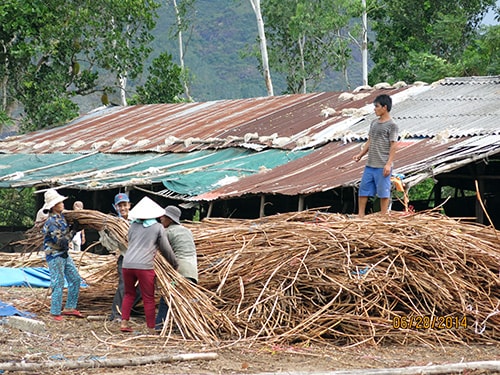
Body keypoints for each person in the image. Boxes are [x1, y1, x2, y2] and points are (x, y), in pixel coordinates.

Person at [120, 196, 178, 334]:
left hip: (127, 264)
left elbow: (131, 242)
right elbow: (165, 248)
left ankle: (124, 322)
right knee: (148, 298)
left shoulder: (133, 225)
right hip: (144, 266)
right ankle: (151, 328)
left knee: (129, 294)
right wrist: (174, 263)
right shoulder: (157, 227)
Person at [353, 94, 399, 217]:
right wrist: (360, 155)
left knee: (383, 192)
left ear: (384, 107)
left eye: (377, 106)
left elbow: (394, 145)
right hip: (370, 164)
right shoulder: (374, 123)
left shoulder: (392, 125)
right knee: (363, 190)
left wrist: (388, 164)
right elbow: (370, 140)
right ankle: (360, 215)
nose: (375, 109)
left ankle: (384, 216)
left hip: (382, 165)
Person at [41, 189, 84, 321]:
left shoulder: (61, 218)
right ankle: (54, 312)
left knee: (75, 279)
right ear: (54, 206)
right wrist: (74, 231)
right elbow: (61, 241)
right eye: (60, 202)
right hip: (55, 255)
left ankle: (70, 307)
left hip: (63, 254)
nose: (63, 204)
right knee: (58, 282)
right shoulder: (52, 222)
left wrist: (73, 229)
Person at [155, 205, 198, 331]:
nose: (161, 218)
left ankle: (159, 325)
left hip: (179, 273)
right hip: (192, 273)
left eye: (164, 216)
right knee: (185, 300)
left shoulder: (168, 232)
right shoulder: (187, 231)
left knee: (167, 297)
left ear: (170, 219)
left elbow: (159, 250)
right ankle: (186, 327)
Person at [108, 192, 141, 321]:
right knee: (124, 285)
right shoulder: (115, 223)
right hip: (125, 257)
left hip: (140, 257)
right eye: (119, 206)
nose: (122, 208)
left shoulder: (137, 220)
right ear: (115, 207)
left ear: (129, 205)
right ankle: (116, 314)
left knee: (145, 286)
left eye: (124, 205)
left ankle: (126, 309)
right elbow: (111, 246)